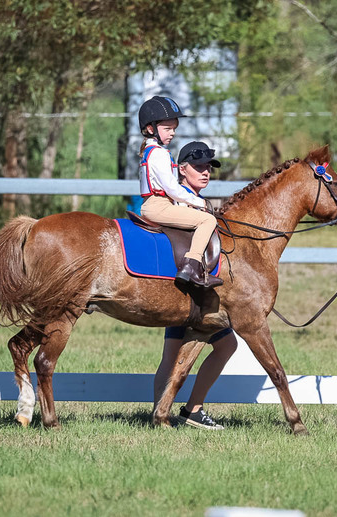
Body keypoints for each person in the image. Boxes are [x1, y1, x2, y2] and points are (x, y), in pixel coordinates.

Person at [153, 141, 237, 430]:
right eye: (198, 167)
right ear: (182, 169)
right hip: (186, 294)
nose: (205, 173)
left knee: (225, 345)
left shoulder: (196, 200)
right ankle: (171, 414)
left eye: (208, 168)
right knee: (175, 355)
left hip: (200, 293)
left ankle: (185, 410)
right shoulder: (180, 201)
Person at [137, 96, 222, 289]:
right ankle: (190, 266)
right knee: (208, 220)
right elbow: (171, 188)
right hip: (158, 205)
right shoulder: (158, 153)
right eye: (167, 129)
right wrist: (198, 202)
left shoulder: (151, 151)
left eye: (174, 128)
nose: (172, 133)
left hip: (156, 203)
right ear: (151, 129)